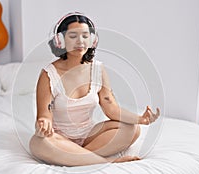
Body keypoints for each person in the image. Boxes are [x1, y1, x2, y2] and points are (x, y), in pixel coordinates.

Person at [29, 12, 160, 166]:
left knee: (133, 129)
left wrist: (141, 119)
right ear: (61, 40)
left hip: (89, 135)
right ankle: (109, 162)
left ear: (92, 40)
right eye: (73, 36)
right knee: (39, 143)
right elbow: (44, 115)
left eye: (85, 36)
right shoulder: (48, 74)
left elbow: (111, 108)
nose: (80, 41)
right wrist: (43, 125)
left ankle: (75, 156)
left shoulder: (98, 69)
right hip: (59, 137)